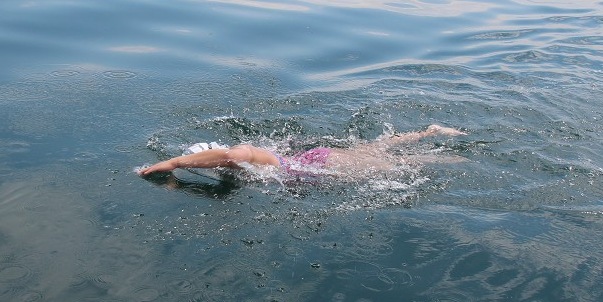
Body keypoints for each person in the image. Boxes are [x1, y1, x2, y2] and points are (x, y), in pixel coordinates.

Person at [137, 124, 466, 177]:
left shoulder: (242, 157)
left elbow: (238, 153)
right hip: (314, 161)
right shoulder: (246, 167)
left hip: (321, 164)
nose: (214, 166)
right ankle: (430, 132)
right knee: (377, 149)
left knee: (400, 167)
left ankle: (459, 157)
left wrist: (174, 162)